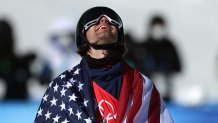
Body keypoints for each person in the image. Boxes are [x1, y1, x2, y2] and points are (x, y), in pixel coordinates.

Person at [34, 6, 173, 123]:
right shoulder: (63, 86)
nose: (104, 19)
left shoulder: (143, 86)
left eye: (113, 20)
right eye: (92, 19)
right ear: (82, 37)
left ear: (120, 36)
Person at [142, 15, 182, 101]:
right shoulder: (144, 46)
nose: (158, 30)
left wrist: (165, 69)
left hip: (166, 90)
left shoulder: (169, 46)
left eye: (160, 27)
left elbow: (178, 67)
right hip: (146, 90)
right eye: (156, 27)